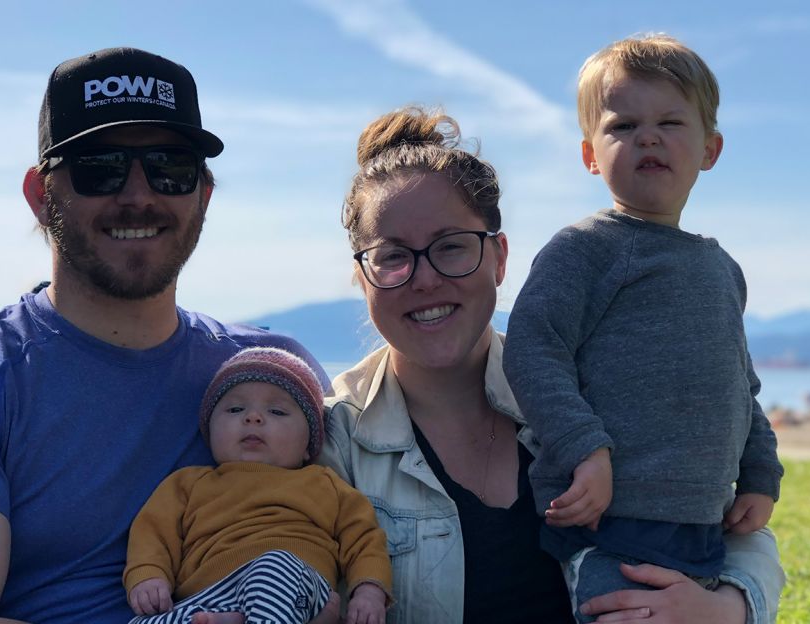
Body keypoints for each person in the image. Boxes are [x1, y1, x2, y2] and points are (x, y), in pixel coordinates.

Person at [0, 48, 336, 624]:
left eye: (170, 167)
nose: (138, 194)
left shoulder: (270, 371)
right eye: (100, 166)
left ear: (203, 195)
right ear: (40, 196)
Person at [320, 106, 785, 624]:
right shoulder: (333, 440)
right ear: (362, 278)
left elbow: (723, 514)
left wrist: (730, 607)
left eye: (451, 248)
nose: (424, 279)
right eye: (392, 256)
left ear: (499, 258)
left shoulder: (586, 382)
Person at [501, 34, 784, 622]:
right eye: (623, 125)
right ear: (589, 154)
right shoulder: (585, 249)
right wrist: (586, 449)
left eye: (670, 122)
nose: (647, 137)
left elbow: (739, 384)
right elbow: (533, 348)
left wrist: (760, 473)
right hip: (609, 522)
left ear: (711, 148)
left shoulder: (720, 267)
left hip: (703, 524)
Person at [125, 347, 390, 624]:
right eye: (236, 409)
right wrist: (148, 575)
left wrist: (368, 590)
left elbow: (364, 540)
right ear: (210, 430)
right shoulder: (187, 484)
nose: (253, 418)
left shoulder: (324, 483)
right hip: (205, 599)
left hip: (292, 587)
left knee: (274, 566)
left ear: (308, 445)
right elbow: (152, 533)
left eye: (277, 411)